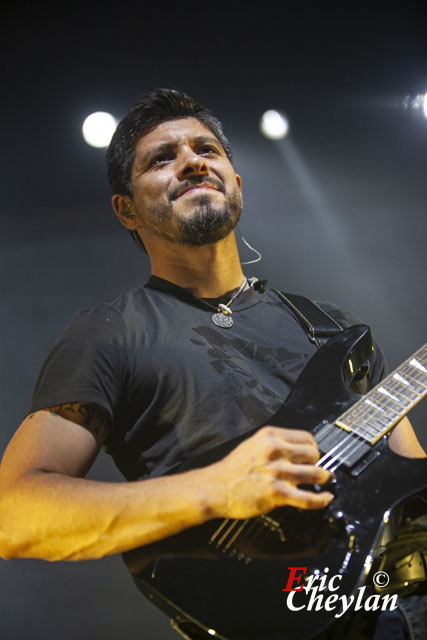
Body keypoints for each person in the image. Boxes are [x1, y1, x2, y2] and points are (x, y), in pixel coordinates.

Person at [0, 89, 425, 639]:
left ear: (237, 186)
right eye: (161, 158)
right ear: (126, 208)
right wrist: (216, 488)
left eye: (207, 149)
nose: (193, 161)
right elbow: (15, 513)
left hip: (389, 607)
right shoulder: (111, 332)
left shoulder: (331, 327)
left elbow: (411, 480)